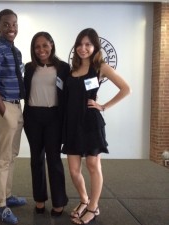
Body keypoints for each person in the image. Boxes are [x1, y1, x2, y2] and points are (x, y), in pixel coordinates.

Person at [61, 28, 131, 225]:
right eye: (80, 44)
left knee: (93, 165)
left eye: (88, 44)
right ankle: (84, 200)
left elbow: (126, 89)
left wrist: (103, 106)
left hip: (91, 122)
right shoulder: (71, 69)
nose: (83, 48)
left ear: (94, 47)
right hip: (72, 124)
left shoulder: (100, 67)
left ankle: (93, 207)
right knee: (74, 170)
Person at [0, 9, 26, 225]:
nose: (12, 28)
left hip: (17, 106)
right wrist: (3, 112)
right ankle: (0, 205)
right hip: (5, 108)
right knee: (2, 158)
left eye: (15, 24)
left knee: (12, 155)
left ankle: (7, 195)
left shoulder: (16, 51)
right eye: (7, 24)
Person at [23, 32, 69, 216]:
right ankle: (39, 199)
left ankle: (59, 201)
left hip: (54, 118)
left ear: (52, 45)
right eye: (37, 47)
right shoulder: (28, 67)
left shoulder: (64, 68)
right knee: (36, 160)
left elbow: (70, 92)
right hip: (32, 117)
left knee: (54, 159)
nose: (41, 50)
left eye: (44, 45)